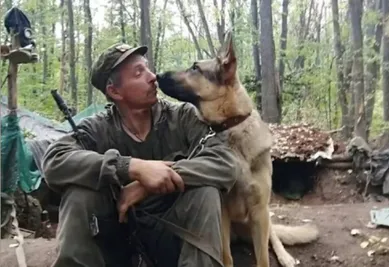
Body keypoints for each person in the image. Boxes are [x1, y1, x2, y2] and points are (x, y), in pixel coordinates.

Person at [42, 43, 242, 267]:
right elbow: (54, 160)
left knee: (206, 191)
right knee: (79, 193)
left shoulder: (182, 118)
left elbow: (226, 163)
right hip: (117, 240)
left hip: (174, 238)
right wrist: (130, 167)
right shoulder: (98, 128)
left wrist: (151, 182)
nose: (152, 77)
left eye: (148, 68)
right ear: (114, 91)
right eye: (139, 73)